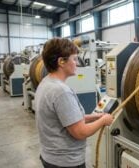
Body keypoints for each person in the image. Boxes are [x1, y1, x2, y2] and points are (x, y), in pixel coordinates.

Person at [35, 38, 113, 168]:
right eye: (74, 59)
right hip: (65, 162)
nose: (77, 63)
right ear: (61, 62)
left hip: (50, 157)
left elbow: (70, 119)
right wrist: (104, 121)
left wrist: (96, 117)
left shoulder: (46, 83)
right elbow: (80, 132)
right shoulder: (61, 92)